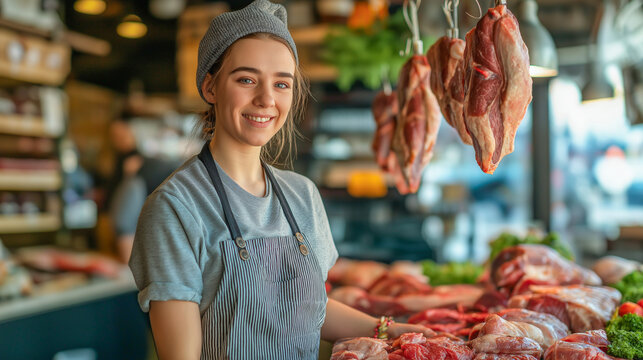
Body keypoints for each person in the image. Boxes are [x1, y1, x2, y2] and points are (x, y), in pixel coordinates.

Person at [129, 1, 434, 358]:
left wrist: (390, 329)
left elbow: (307, 311)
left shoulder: (301, 194)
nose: (266, 99)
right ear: (210, 88)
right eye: (246, 80)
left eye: (282, 84)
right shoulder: (175, 208)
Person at [108, 118, 180, 263]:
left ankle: (130, 268)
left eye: (122, 133)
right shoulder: (123, 159)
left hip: (144, 195)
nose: (119, 138)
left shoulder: (140, 157)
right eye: (114, 135)